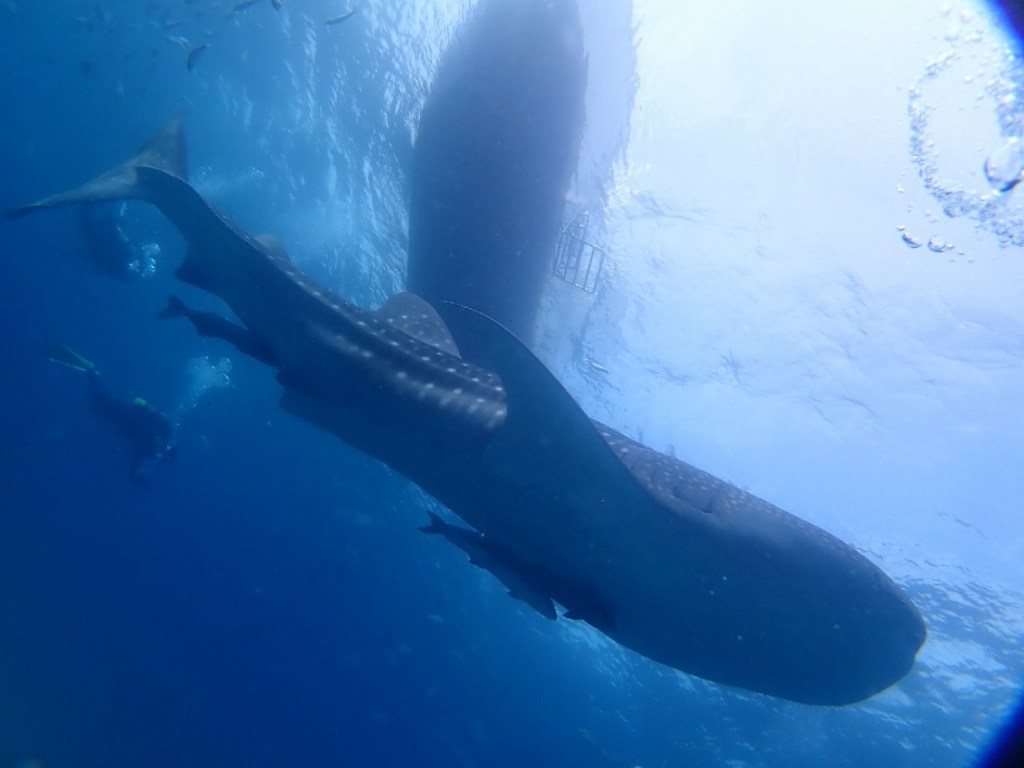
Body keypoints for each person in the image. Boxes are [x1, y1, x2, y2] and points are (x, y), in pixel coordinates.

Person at [47, 345, 177, 482]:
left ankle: (91, 372)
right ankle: (91, 371)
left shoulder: (159, 438)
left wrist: (135, 474)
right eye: (164, 455)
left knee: (96, 402)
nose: (161, 455)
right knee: (96, 401)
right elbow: (138, 448)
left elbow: (137, 454)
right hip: (124, 415)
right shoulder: (155, 442)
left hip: (125, 414)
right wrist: (135, 472)